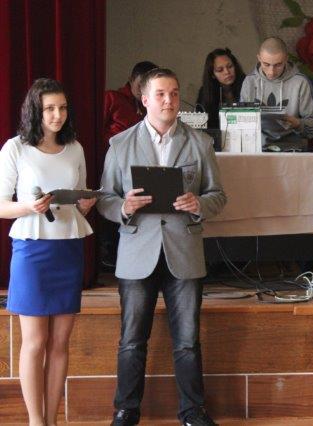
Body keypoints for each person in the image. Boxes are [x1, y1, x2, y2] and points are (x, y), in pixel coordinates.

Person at [97, 68, 226, 426]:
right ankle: (126, 411)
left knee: (187, 341)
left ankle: (193, 412)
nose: (169, 101)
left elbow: (218, 195)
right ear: (144, 100)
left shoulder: (200, 143)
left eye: (174, 93)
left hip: (184, 251)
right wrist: (124, 207)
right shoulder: (120, 144)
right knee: (131, 341)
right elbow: (104, 198)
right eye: (160, 94)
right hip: (137, 251)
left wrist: (199, 204)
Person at [0, 78, 96, 426]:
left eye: (63, 108)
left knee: (59, 343)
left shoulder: (75, 148)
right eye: (50, 109)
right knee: (34, 342)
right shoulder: (15, 148)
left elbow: (80, 199)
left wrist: (86, 203)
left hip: (68, 248)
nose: (58, 115)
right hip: (31, 250)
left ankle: (52, 420)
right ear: (35, 111)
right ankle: (35, 421)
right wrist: (29, 206)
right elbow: (1, 205)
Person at [100, 60, 157, 269]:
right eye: (140, 84)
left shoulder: (149, 105)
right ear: (131, 80)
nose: (143, 90)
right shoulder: (112, 97)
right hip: (113, 160)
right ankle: (108, 251)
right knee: (112, 202)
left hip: (142, 164)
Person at [240, 36, 313, 149]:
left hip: (292, 149)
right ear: (259, 58)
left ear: (286, 59)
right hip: (257, 148)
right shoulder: (249, 81)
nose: (271, 72)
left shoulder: (300, 82)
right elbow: (242, 124)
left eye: (278, 65)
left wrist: (297, 123)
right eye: (266, 64)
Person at [196, 48, 245, 129]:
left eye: (230, 66)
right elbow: (201, 125)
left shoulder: (247, 84)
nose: (227, 72)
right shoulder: (205, 92)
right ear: (212, 75)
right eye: (220, 70)